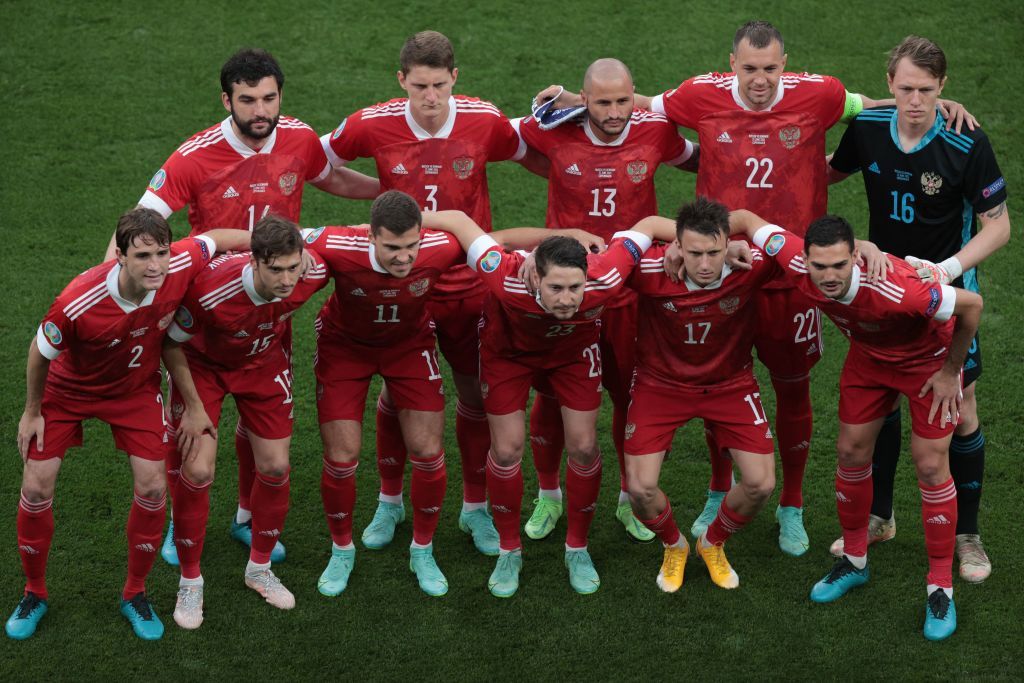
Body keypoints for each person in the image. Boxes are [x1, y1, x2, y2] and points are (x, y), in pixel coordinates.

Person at [537, 20, 974, 558]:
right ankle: (719, 490)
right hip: (719, 269)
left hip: (795, 276)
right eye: (750, 69)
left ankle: (790, 504)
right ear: (732, 63)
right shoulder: (700, 94)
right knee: (715, 377)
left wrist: (934, 102)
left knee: (792, 387)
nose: (761, 80)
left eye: (770, 69)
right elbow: (636, 104)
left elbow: (870, 102)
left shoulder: (821, 94)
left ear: (785, 64)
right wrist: (573, 101)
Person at [119, 48, 379, 567]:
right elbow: (142, 218)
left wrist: (393, 192)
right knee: (192, 438)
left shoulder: (300, 138)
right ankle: (179, 523)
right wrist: (116, 286)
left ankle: (243, 517)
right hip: (205, 316)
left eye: (269, 98)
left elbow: (330, 177)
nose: (260, 110)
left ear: (280, 95)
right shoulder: (195, 155)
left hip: (269, 305)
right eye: (247, 100)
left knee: (257, 425)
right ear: (226, 100)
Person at [321, 31, 548, 556]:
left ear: (455, 79)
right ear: (401, 80)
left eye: (440, 85)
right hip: (403, 287)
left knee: (474, 395)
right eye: (419, 85)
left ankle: (473, 509)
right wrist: (378, 193)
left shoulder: (483, 119)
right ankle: (390, 500)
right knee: (396, 392)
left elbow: (532, 155)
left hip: (468, 286)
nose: (430, 97)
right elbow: (317, 163)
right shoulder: (370, 123)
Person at [308, 190, 596, 598]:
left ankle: (422, 550)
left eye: (412, 245)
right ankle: (341, 549)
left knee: (428, 450)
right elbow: (271, 244)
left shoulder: (439, 245)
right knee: (341, 455)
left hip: (408, 345)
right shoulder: (334, 242)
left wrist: (545, 247)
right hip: (344, 348)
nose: (405, 257)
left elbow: (493, 238)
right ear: (370, 237)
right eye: (392, 247)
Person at [731, 209, 982, 641]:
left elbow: (972, 305)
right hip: (869, 359)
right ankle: (855, 561)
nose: (828, 276)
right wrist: (720, 243)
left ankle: (940, 588)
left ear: (855, 260)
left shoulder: (898, 288)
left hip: (927, 364)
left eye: (839, 265)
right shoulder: (792, 260)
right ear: (805, 260)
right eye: (819, 265)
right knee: (849, 451)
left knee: (929, 464)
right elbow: (745, 218)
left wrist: (950, 371)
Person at [7, 208, 248, 641]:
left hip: (134, 390)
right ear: (119, 256)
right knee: (36, 485)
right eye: (142, 256)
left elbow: (217, 238)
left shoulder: (178, 263)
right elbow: (40, 352)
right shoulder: (79, 300)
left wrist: (284, 244)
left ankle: (135, 593)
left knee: (154, 486)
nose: (155, 265)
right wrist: (32, 411)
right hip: (70, 392)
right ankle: (34, 592)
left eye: (160, 253)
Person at [826, 36, 1009, 583]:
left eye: (926, 90)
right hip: (883, 293)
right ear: (889, 84)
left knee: (961, 407)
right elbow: (822, 176)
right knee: (879, 403)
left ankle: (968, 537)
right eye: (905, 88)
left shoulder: (964, 139)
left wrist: (948, 269)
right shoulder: (866, 129)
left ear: (943, 88)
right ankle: (880, 518)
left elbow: (999, 225)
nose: (915, 100)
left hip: (946, 297)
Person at [513, 57, 696, 543]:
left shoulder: (656, 131)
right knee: (551, 394)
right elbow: (500, 135)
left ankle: (626, 499)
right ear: (584, 98)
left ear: (634, 95)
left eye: (622, 101)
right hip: (566, 291)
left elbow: (705, 156)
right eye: (601, 101)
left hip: (631, 293)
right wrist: (551, 103)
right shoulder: (550, 128)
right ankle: (549, 495)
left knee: (630, 394)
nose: (614, 113)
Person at [433, 212, 664, 597]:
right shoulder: (504, 273)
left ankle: (577, 549)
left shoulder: (606, 275)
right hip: (508, 356)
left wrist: (727, 240)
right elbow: (459, 221)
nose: (568, 299)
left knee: (584, 447)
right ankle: (509, 551)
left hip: (572, 356)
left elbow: (652, 225)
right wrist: (365, 230)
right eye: (556, 288)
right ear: (535, 276)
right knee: (506, 451)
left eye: (576, 288)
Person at [163, 216, 330, 629]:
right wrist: (195, 405)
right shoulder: (210, 290)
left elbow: (346, 249)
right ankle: (190, 581)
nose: (288, 279)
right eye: (276, 269)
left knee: (275, 466)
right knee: (198, 468)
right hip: (204, 370)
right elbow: (169, 342)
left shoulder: (311, 273)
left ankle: (258, 569)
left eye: (294, 266)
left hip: (262, 365)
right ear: (253, 262)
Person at [624, 198, 782, 593]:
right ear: (676, 246)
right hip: (660, 386)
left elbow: (808, 250)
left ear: (729, 242)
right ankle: (674, 545)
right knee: (639, 490)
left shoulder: (750, 264)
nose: (706, 264)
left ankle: (712, 542)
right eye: (695, 253)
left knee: (761, 484)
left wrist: (863, 248)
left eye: (715, 251)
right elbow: (599, 257)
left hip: (730, 385)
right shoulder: (646, 268)